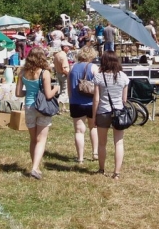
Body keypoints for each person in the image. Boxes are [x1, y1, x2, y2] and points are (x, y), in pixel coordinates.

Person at [16, 48, 59, 180]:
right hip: (42, 108)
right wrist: (56, 88)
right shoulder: (44, 73)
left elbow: (18, 93)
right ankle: (35, 168)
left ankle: (36, 165)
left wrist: (29, 92)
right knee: (41, 139)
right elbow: (48, 94)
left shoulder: (22, 72)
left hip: (29, 106)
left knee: (33, 139)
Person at [92, 51, 129, 180]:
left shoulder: (99, 77)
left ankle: (101, 169)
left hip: (103, 111)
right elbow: (124, 99)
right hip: (118, 112)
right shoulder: (123, 77)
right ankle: (116, 173)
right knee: (118, 143)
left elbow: (96, 99)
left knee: (102, 143)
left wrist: (93, 115)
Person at [68, 45, 99, 163]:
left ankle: (80, 158)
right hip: (91, 102)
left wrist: (71, 99)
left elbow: (69, 88)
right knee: (93, 127)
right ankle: (95, 152)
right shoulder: (93, 67)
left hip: (76, 102)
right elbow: (98, 86)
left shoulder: (73, 67)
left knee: (79, 131)